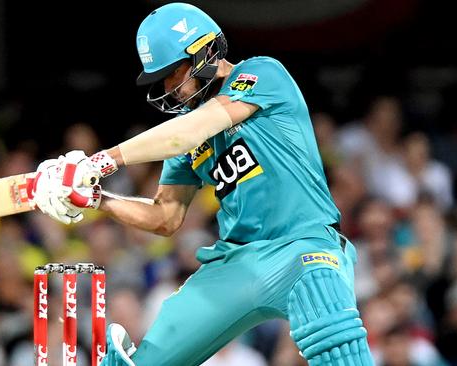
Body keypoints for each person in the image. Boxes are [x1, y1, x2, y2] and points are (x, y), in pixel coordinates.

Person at [32, 3, 374, 365]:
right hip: (236, 263)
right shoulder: (183, 136)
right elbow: (165, 217)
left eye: (172, 72)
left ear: (206, 53)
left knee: (334, 335)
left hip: (304, 245)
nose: (168, 88)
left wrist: (102, 161)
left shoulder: (262, 74)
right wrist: (98, 198)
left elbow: (195, 128)